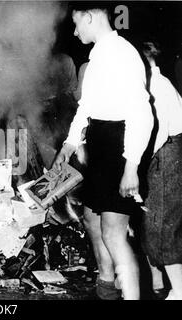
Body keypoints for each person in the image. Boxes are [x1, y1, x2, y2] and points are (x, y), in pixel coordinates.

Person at [53, 3, 153, 300]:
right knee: (91, 220)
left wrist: (131, 166)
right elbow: (87, 106)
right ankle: (106, 286)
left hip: (119, 145)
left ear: (89, 17)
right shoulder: (98, 55)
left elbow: (142, 113)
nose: (74, 31)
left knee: (113, 230)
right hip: (98, 140)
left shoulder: (122, 53)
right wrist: (69, 143)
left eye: (76, 24)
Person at [141, 40, 182, 300]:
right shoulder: (160, 82)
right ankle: (161, 284)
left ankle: (179, 291)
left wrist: (140, 163)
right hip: (166, 154)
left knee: (165, 226)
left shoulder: (157, 86)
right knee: (155, 222)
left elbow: (158, 133)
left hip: (168, 155)